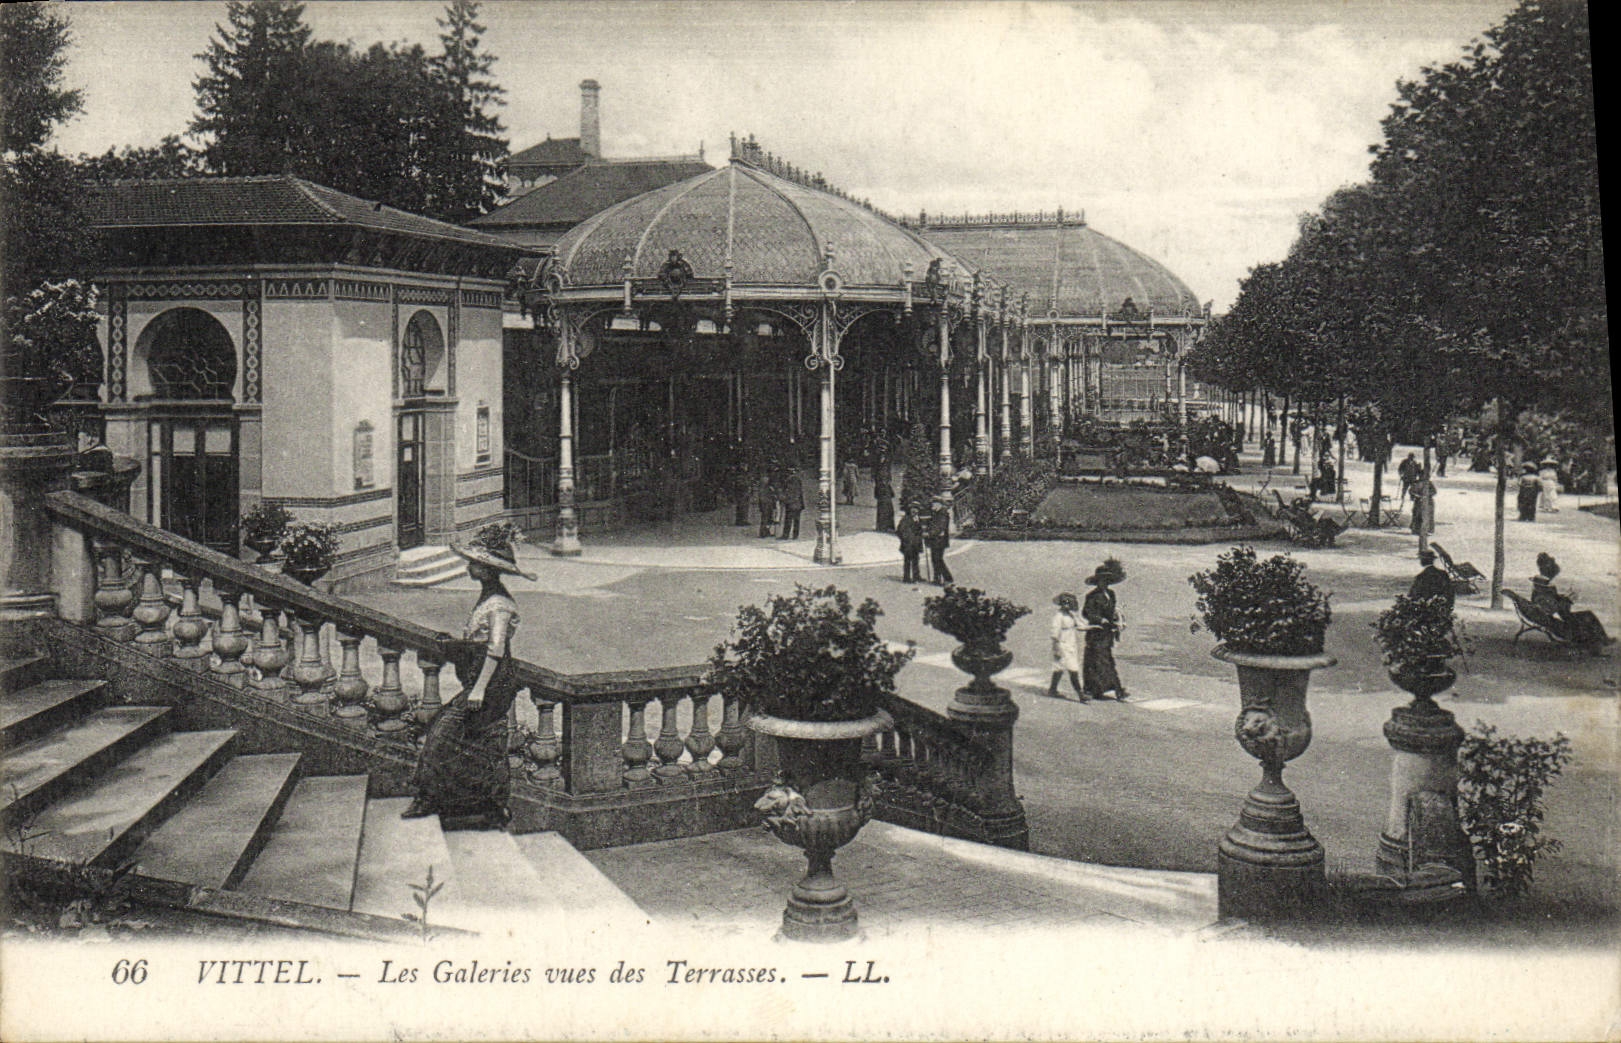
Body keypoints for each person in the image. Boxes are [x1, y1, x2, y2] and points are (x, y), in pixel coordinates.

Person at [404, 532, 537, 827]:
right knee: (480, 742)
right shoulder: (489, 596)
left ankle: (433, 799)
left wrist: (478, 690)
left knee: (444, 734)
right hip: (484, 678)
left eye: (474, 564)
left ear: (487, 570)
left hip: (492, 683)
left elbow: (495, 649)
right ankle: (485, 805)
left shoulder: (499, 604)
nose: (468, 567)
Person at [1531, 553, 1613, 654]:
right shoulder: (1544, 585)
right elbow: (1551, 607)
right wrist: (1566, 600)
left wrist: (1562, 598)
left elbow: (1548, 601)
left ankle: (1600, 642)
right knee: (1587, 616)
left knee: (1587, 615)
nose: (1553, 577)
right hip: (1557, 619)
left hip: (1551, 617)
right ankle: (1599, 643)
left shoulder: (1540, 583)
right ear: (1549, 572)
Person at [1081, 558, 1128, 701]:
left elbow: (1112, 611)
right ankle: (1092, 690)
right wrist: (1099, 619)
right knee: (1095, 661)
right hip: (1095, 633)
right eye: (1102, 581)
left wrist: (1116, 619)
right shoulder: (1092, 596)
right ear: (1097, 582)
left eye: (1106, 581)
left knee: (1107, 660)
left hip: (1107, 633)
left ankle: (1114, 689)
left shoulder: (1111, 594)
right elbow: (1086, 612)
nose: (1104, 583)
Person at [1048, 593, 1088, 701]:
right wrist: (1056, 648)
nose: (1066, 605)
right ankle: (1080, 694)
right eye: (1064, 603)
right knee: (1072, 669)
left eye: (1068, 603)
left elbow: (1080, 626)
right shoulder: (1058, 616)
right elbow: (1054, 634)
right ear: (1061, 604)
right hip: (1062, 645)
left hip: (1071, 645)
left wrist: (1093, 627)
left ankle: (1052, 689)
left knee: (1060, 668)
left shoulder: (1070, 615)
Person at [1410, 547, 1455, 614]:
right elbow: (1450, 593)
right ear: (1432, 560)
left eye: (1421, 559)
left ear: (1423, 561)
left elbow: (1413, 595)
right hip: (1442, 611)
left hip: (1425, 613)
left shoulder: (1421, 577)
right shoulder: (1443, 574)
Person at [925, 498, 953, 585]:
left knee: (937, 559)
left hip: (939, 541)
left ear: (939, 504)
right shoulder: (936, 513)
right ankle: (937, 578)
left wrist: (929, 533)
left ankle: (948, 578)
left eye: (934, 504)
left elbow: (939, 527)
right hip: (936, 540)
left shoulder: (942, 514)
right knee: (935, 559)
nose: (932, 505)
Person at [896, 503, 924, 584]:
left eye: (916, 509)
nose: (914, 511)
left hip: (916, 543)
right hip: (908, 544)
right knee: (907, 561)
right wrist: (906, 539)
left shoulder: (918, 519)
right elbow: (900, 530)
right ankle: (906, 577)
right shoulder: (906, 519)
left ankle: (916, 576)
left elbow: (919, 530)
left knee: (916, 560)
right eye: (912, 509)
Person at [778, 466, 805, 540]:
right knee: (796, 520)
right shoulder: (797, 480)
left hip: (792, 503)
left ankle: (786, 535)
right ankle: (795, 535)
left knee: (788, 520)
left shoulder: (790, 480)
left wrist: (784, 499)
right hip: (798, 504)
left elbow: (789, 492)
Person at [1410, 468, 1436, 536]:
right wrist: (1416, 495)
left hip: (1428, 502)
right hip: (1418, 501)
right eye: (1420, 475)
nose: (1421, 477)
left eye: (1423, 475)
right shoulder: (1416, 483)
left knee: (1428, 515)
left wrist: (1427, 495)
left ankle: (1428, 530)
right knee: (1417, 515)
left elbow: (1434, 491)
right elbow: (1411, 491)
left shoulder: (1429, 483)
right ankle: (1416, 530)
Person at [873, 458, 895, 533]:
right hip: (883, 492)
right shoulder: (881, 470)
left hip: (884, 492)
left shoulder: (884, 470)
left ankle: (884, 526)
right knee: (885, 509)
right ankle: (884, 526)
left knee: (886, 509)